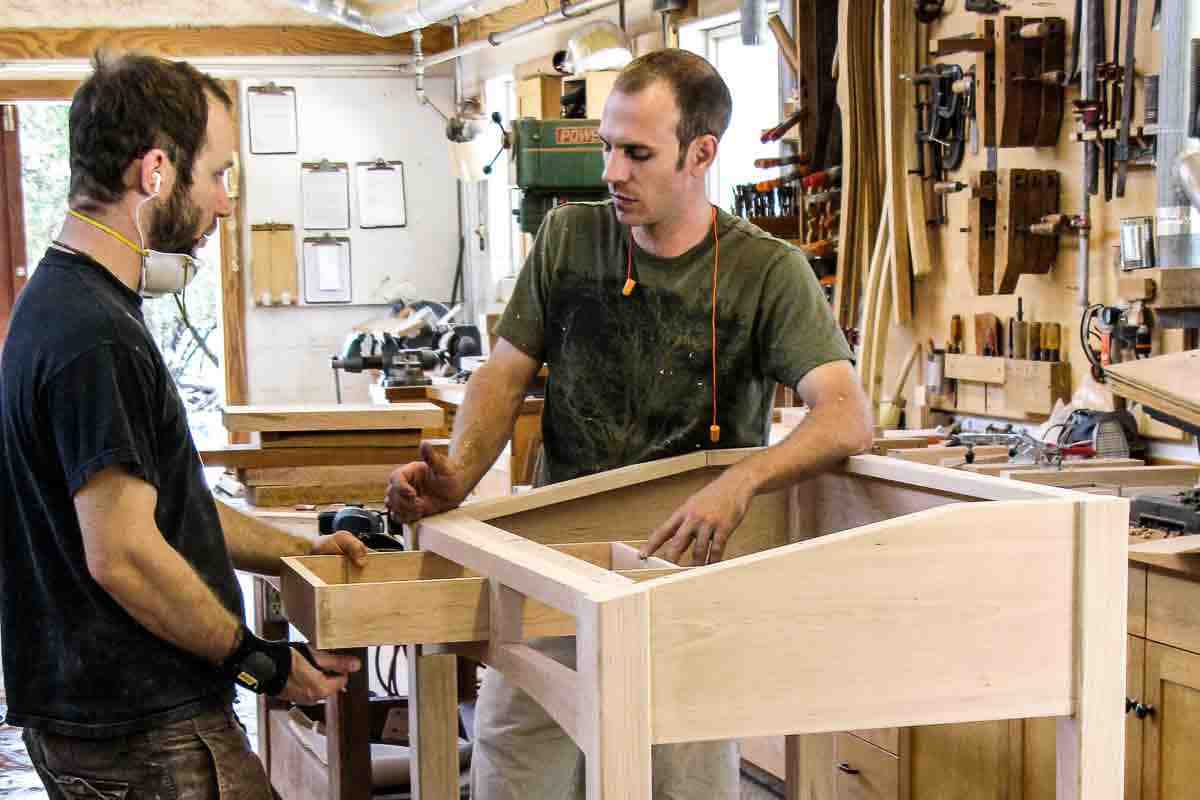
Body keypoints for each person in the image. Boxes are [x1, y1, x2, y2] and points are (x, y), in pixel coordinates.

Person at [387, 49, 873, 799]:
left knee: (680, 781)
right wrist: (461, 470)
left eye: (637, 153)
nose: (612, 172)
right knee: (516, 774)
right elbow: (503, 374)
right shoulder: (568, 240)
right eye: (609, 147)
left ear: (701, 154)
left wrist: (741, 482)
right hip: (550, 562)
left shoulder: (767, 272)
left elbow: (845, 417)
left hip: (681, 577)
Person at [0, 52, 367, 799]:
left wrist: (299, 547)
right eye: (219, 175)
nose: (226, 205)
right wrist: (259, 662)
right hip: (144, 734)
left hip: (112, 722)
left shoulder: (64, 302)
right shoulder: (92, 335)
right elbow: (126, 556)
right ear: (158, 173)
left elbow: (166, 511)